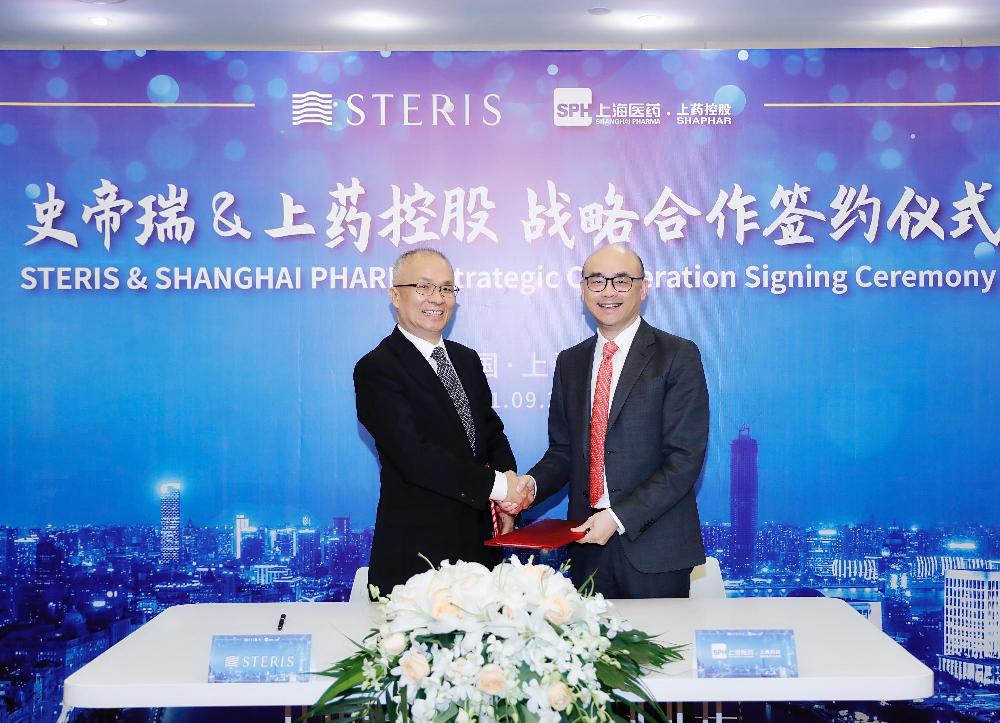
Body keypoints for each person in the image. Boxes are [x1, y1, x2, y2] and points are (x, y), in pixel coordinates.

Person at [521, 245, 709, 598]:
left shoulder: (677, 355)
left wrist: (618, 517)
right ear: (583, 289)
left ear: (643, 288)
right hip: (586, 546)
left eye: (621, 280)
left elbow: (684, 459)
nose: (608, 291)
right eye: (596, 281)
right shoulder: (570, 362)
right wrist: (530, 486)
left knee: (658, 637)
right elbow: (563, 451)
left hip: (655, 548)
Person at [354, 248, 532, 596]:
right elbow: (414, 456)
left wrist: (508, 497)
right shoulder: (377, 368)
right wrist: (499, 487)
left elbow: (491, 433)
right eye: (423, 287)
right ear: (395, 296)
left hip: (481, 548)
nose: (437, 298)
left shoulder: (466, 359)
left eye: (447, 288)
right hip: (418, 556)